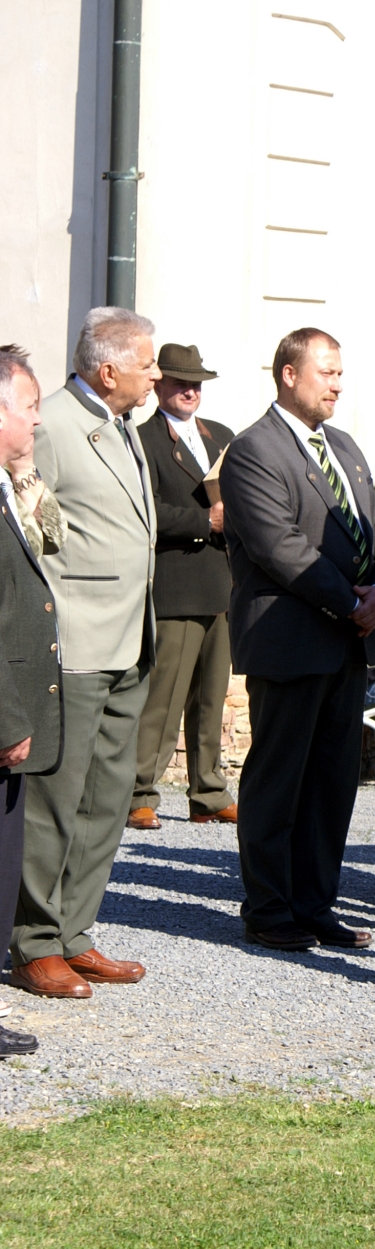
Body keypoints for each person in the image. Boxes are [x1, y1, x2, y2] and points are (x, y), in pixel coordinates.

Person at [219, 328, 375, 951]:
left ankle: (315, 904)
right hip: (290, 640)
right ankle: (269, 909)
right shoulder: (254, 450)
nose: (338, 384)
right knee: (279, 779)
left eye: (341, 373)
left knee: (331, 783)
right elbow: (280, 548)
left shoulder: (343, 446)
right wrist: (353, 603)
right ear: (289, 375)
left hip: (348, 642)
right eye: (327, 372)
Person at [10, 308, 159, 998]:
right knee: (55, 802)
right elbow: (30, 530)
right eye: (146, 364)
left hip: (128, 639)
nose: (155, 375)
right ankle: (34, 942)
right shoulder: (54, 424)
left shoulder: (123, 425)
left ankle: (74, 932)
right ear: (107, 370)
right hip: (74, 643)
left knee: (106, 799)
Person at [130, 343, 236, 830]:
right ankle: (140, 792)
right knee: (163, 700)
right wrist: (204, 521)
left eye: (196, 384)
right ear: (159, 387)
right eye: (180, 383)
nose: (190, 391)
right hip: (176, 586)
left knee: (211, 700)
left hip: (222, 584)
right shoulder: (143, 440)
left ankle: (208, 793)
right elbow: (145, 510)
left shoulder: (223, 437)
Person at [0, 347, 62, 1052]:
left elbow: (51, 542)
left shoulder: (9, 483)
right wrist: (8, 719)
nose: (38, 420)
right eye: (30, 406)